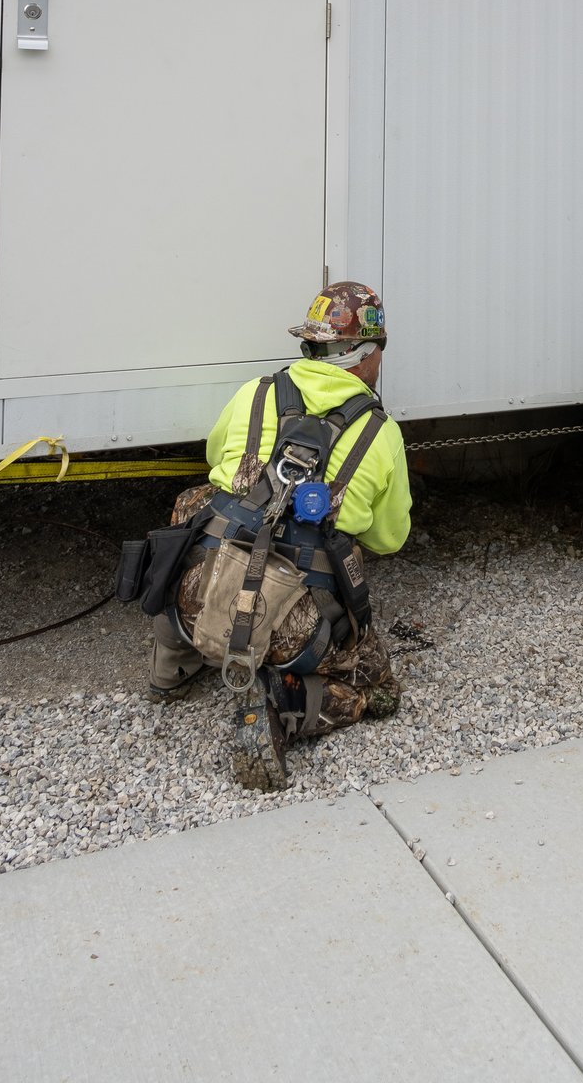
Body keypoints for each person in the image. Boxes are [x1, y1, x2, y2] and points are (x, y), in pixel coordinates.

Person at [145, 280, 412, 792]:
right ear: (365, 355)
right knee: (379, 690)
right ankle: (283, 703)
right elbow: (388, 539)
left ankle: (171, 661)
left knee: (197, 506)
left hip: (196, 596)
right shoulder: (382, 433)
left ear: (311, 345)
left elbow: (215, 463)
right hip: (294, 627)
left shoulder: (256, 393)